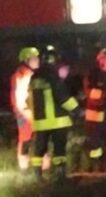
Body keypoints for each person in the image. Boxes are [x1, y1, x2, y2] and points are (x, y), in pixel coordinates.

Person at [27, 47, 79, 180]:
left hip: (40, 122)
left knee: (39, 149)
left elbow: (29, 99)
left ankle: (36, 175)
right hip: (57, 120)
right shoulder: (52, 76)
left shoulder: (34, 77)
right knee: (59, 149)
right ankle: (60, 175)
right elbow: (62, 97)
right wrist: (76, 109)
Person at [83, 47, 106, 172]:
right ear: (100, 59)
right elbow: (89, 92)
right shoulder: (92, 75)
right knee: (95, 142)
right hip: (95, 113)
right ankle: (95, 167)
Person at [11, 46, 41, 171]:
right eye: (35, 58)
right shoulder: (22, 75)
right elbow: (20, 97)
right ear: (26, 60)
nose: (38, 60)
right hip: (25, 112)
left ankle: (32, 167)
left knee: (31, 139)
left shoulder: (29, 74)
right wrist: (24, 112)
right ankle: (24, 167)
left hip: (29, 112)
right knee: (25, 139)